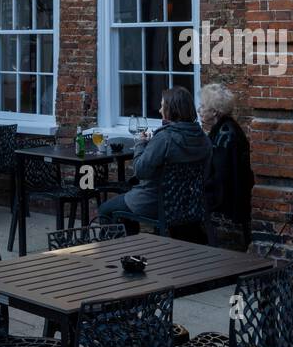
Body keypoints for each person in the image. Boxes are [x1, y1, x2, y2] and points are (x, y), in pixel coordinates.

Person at [97, 86, 212, 237]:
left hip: (153, 202)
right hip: (188, 206)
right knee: (123, 205)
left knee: (106, 209)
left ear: (172, 110)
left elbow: (141, 171)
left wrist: (140, 143)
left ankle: (121, 252)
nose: (159, 110)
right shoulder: (203, 138)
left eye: (162, 106)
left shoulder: (164, 138)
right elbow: (205, 175)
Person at [200, 82, 255, 246]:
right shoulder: (228, 128)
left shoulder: (224, 134)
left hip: (227, 197)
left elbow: (219, 178)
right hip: (234, 193)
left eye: (203, 106)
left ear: (214, 112)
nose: (199, 110)